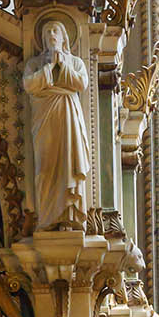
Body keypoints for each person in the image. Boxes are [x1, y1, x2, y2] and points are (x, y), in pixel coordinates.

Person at [22, 19, 91, 231]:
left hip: (68, 116)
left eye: (55, 30)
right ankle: (46, 218)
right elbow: (29, 84)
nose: (52, 34)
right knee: (45, 166)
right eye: (48, 31)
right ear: (43, 39)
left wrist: (62, 65)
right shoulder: (35, 63)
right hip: (44, 118)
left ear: (63, 37)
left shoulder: (76, 61)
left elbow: (81, 83)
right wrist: (50, 66)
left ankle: (68, 217)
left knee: (68, 165)